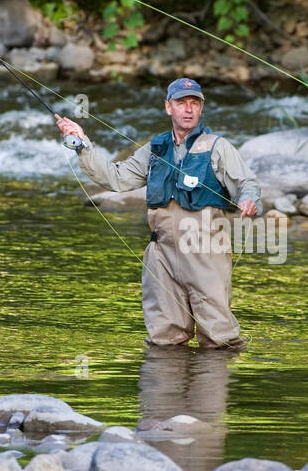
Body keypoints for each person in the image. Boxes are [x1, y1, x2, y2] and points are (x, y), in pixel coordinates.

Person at [55, 77, 261, 349]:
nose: (188, 109)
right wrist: (83, 143)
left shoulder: (217, 146)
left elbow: (247, 183)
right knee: (165, 338)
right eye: (181, 103)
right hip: (161, 253)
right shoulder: (155, 148)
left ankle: (210, 386)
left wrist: (248, 200)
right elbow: (117, 178)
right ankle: (166, 390)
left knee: (219, 337)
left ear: (201, 109)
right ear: (168, 107)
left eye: (194, 103)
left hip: (206, 250)